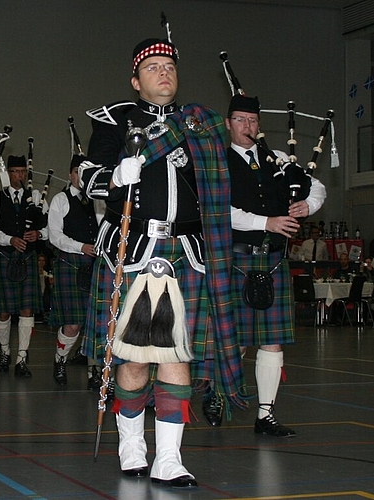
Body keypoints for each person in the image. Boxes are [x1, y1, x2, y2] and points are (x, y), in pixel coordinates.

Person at [79, 34, 245, 488]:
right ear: (136, 81)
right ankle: (132, 445)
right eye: (152, 67)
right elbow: (86, 176)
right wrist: (116, 174)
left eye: (169, 66)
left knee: (177, 356)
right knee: (132, 359)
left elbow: (220, 189)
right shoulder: (116, 120)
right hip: (133, 251)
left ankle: (169, 457)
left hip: (188, 254)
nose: (163, 72)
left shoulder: (202, 126)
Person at [221, 94, 326, 435]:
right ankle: (221, 395)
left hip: (273, 260)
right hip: (235, 259)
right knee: (234, 338)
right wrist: (265, 222)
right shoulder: (218, 162)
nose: (246, 127)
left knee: (272, 340)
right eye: (239, 120)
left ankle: (265, 414)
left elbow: (319, 187)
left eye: (252, 121)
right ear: (228, 124)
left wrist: (307, 205)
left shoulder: (278, 159)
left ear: (259, 125)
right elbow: (219, 211)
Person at [0, 155, 49, 378]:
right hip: (5, 255)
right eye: (15, 171)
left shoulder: (37, 197)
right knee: (3, 312)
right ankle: (4, 351)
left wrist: (38, 234)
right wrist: (9, 239)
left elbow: (49, 228)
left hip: (28, 257)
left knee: (26, 309)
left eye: (23, 171)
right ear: (8, 174)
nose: (19, 176)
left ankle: (22, 357)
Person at [47, 154, 102, 387]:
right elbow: (55, 236)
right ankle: (60, 359)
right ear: (70, 174)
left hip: (96, 266)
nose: (81, 176)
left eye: (85, 171)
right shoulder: (61, 199)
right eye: (77, 171)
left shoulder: (100, 199)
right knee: (73, 324)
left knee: (96, 324)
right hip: (71, 263)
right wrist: (81, 247)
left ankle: (94, 372)